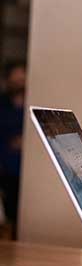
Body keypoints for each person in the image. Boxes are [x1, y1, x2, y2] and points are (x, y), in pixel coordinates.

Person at [0, 61, 26, 229]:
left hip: (27, 172)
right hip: (6, 171)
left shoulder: (32, 105)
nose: (19, 83)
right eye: (15, 80)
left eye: (22, 79)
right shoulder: (2, 106)